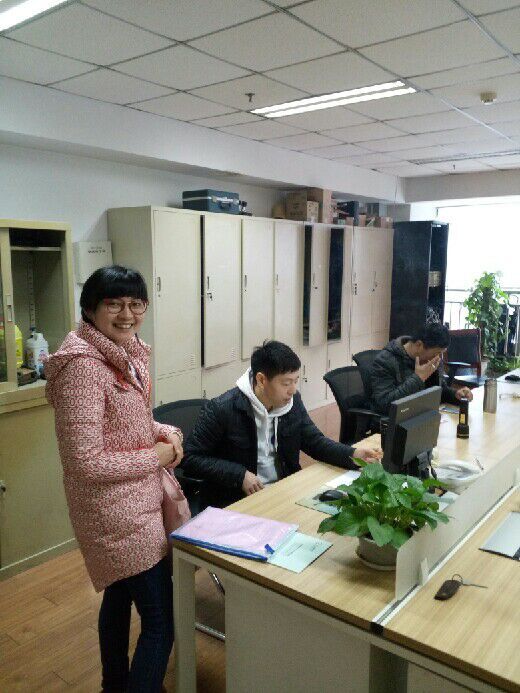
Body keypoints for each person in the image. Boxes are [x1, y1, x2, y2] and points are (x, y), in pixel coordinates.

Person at [45, 265, 183, 693]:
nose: (127, 314)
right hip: (115, 515)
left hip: (136, 502)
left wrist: (163, 430)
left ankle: (115, 685)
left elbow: (127, 422)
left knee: (120, 596)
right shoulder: (83, 367)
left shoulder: (123, 352)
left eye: (136, 304)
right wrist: (156, 456)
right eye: (114, 304)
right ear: (90, 309)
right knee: (162, 621)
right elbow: (85, 461)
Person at [182, 340, 382, 507]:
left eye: (296, 380)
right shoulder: (223, 409)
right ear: (261, 380)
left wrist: (353, 454)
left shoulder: (291, 404)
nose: (293, 390)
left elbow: (315, 442)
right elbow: (190, 457)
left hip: (284, 491)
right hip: (239, 500)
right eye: (286, 383)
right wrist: (239, 475)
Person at [371, 322, 474, 415]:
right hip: (397, 422)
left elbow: (439, 391)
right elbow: (385, 405)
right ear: (419, 345)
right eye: (436, 353)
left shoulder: (430, 359)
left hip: (423, 417)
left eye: (441, 354)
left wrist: (456, 395)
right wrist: (418, 378)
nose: (438, 358)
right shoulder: (385, 361)